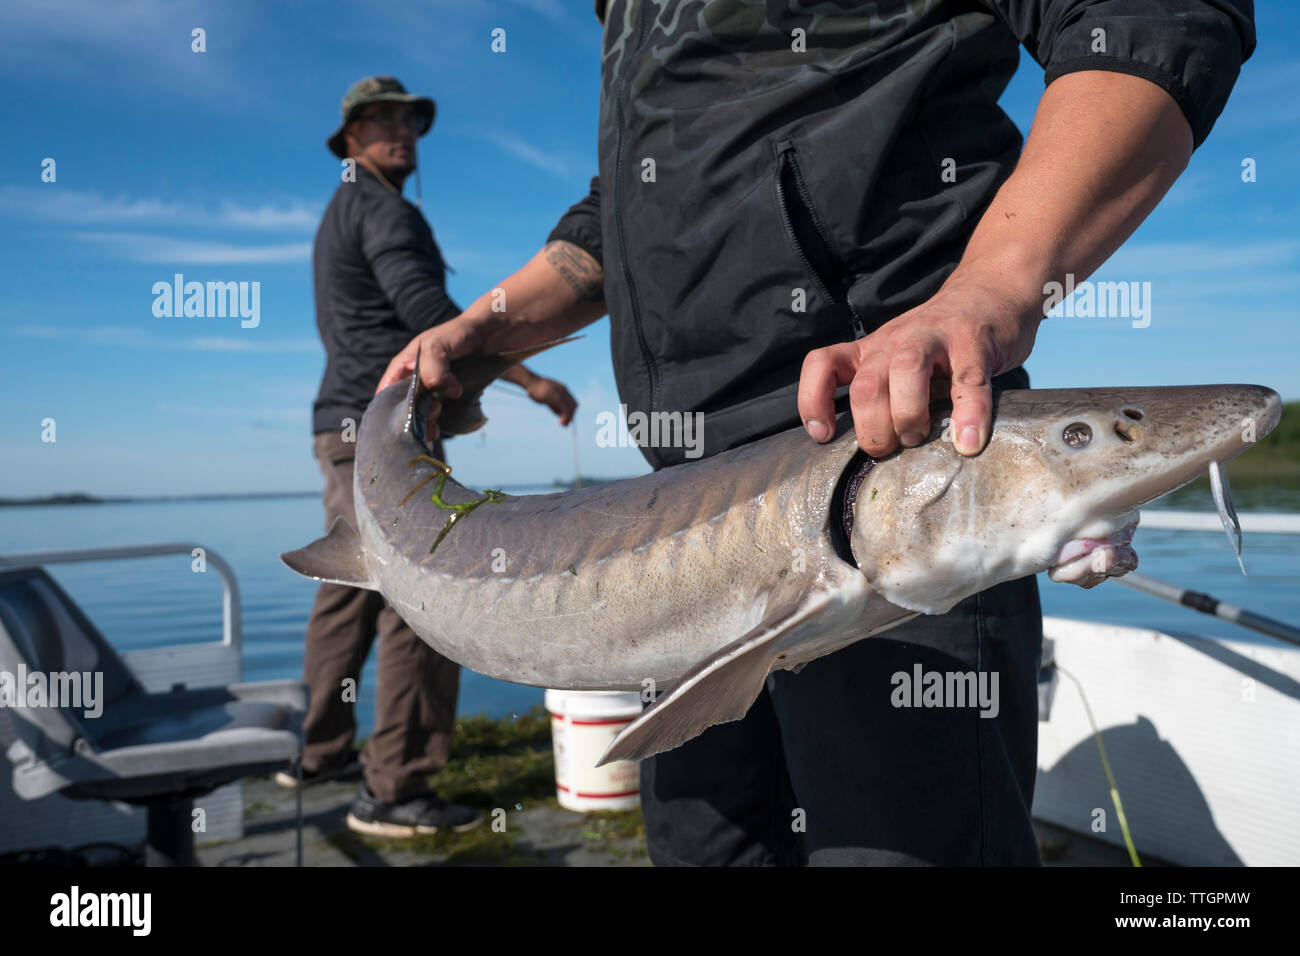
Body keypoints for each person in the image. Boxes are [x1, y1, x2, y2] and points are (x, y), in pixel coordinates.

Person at [379, 2, 1255, 864]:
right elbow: (627, 203)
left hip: (887, 437)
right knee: (706, 850)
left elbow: (1156, 12)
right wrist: (488, 325)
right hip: (672, 489)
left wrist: (992, 286)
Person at [283, 76, 577, 839]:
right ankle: (397, 789)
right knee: (419, 594)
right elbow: (430, 317)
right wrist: (533, 378)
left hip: (340, 424)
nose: (400, 132)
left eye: (409, 120)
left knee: (348, 584)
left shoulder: (340, 208)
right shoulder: (383, 209)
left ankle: (317, 753)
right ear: (349, 139)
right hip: (382, 430)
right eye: (380, 123)